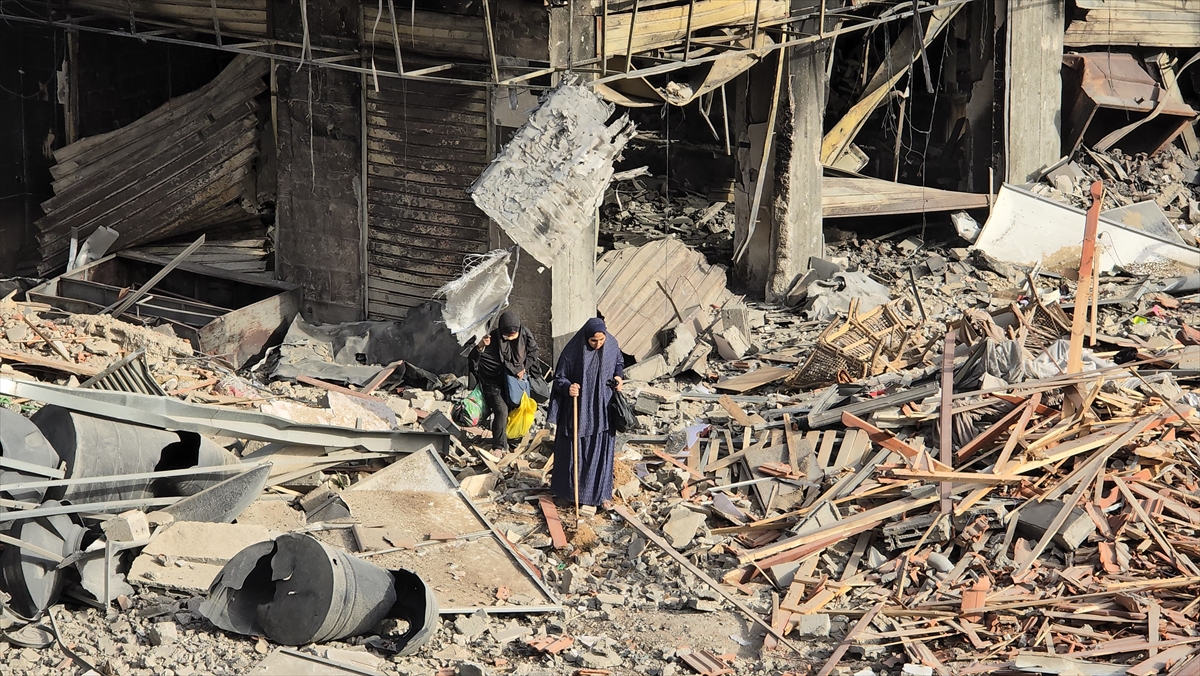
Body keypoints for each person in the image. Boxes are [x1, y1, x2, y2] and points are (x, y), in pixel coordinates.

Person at [548, 318, 624, 515]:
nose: (598, 345)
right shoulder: (573, 351)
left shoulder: (612, 344)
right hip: (578, 412)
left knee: (601, 454)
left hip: (603, 411)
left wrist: (618, 377)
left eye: (601, 340)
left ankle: (601, 496)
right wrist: (568, 387)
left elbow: (618, 362)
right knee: (575, 454)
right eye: (593, 341)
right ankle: (570, 494)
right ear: (586, 338)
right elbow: (559, 379)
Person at [469, 311, 538, 454]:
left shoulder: (525, 334)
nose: (511, 338)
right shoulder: (492, 339)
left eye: (514, 335)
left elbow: (533, 353)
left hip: (514, 381)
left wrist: (523, 368)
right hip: (493, 382)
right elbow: (474, 361)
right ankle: (498, 446)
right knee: (501, 411)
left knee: (517, 408)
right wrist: (481, 346)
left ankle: (513, 442)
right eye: (507, 335)